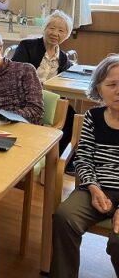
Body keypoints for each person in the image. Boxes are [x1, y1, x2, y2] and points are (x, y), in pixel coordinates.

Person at [51, 54, 119, 277]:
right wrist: (93, 187)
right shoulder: (93, 117)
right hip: (97, 187)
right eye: (112, 85)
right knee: (65, 217)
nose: (118, 91)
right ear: (99, 89)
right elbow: (83, 157)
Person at [12, 10, 76, 155]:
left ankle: (60, 156)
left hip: (49, 99)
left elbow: (64, 81)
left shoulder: (63, 58)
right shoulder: (27, 46)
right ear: (44, 28)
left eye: (61, 30)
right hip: (26, 98)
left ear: (66, 35)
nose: (55, 33)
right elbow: (15, 74)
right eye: (51, 28)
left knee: (71, 114)